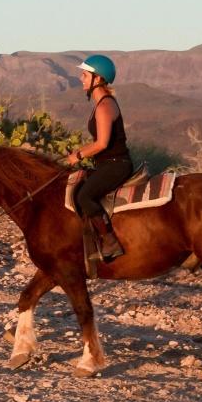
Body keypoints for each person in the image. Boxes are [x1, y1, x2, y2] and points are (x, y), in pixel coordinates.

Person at [66, 54, 132, 261]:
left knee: (84, 196)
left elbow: (102, 144)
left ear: (98, 79)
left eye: (84, 75)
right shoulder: (101, 103)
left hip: (116, 165)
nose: (81, 78)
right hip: (106, 164)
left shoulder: (104, 106)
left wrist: (77, 156)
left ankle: (109, 241)